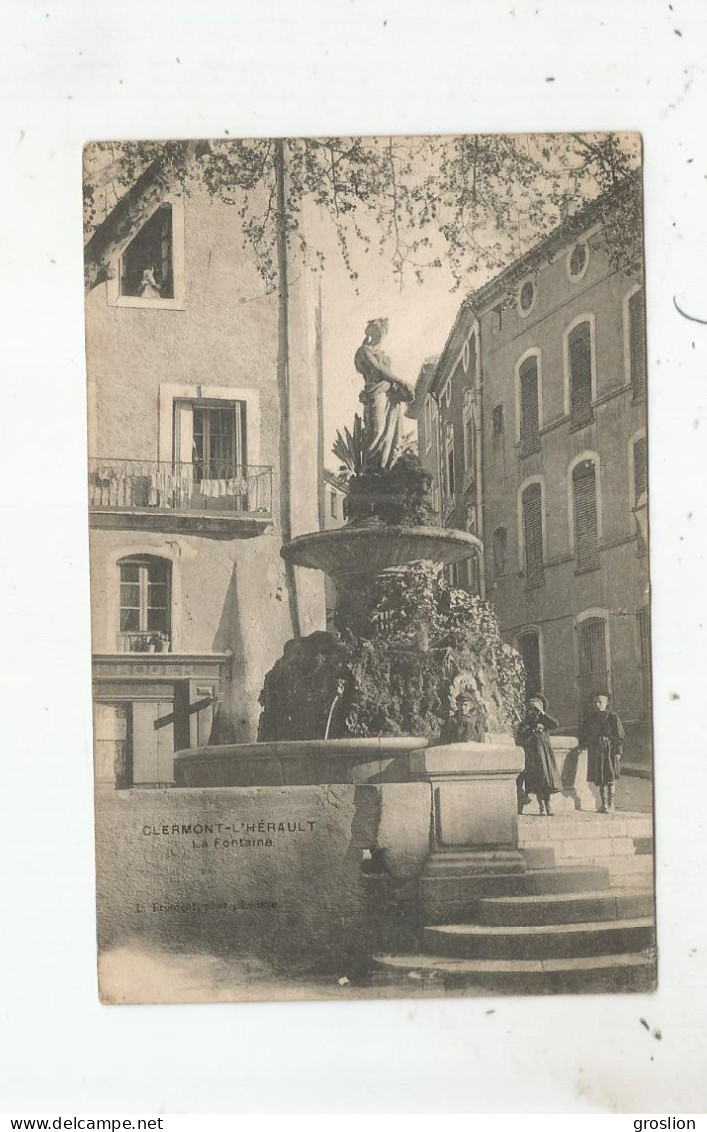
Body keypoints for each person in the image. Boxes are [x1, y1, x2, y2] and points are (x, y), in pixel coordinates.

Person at [354, 318, 413, 470]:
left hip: (390, 395)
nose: (381, 335)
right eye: (378, 332)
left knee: (390, 434)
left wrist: (400, 389)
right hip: (376, 392)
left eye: (383, 333)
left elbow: (386, 372)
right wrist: (400, 381)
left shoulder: (382, 353)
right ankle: (371, 471)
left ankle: (384, 469)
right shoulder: (364, 351)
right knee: (377, 431)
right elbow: (378, 369)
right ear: (371, 332)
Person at [579, 690, 625, 813]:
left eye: (600, 702)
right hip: (596, 750)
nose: (597, 705)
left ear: (606, 702)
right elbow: (585, 733)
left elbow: (619, 736)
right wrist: (583, 744)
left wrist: (618, 752)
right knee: (600, 777)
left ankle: (611, 804)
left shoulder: (612, 717)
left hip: (609, 749)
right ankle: (603, 803)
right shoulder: (590, 718)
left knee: (610, 776)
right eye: (595, 702)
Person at [517, 693, 562, 816]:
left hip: (545, 756)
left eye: (535, 709)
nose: (533, 711)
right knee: (537, 782)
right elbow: (521, 733)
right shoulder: (527, 721)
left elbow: (555, 724)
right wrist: (531, 730)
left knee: (546, 781)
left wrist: (542, 714)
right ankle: (541, 807)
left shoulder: (545, 720)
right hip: (533, 756)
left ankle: (548, 806)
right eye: (531, 708)